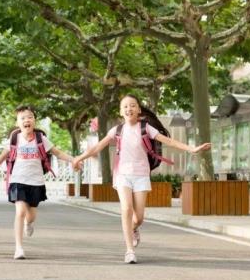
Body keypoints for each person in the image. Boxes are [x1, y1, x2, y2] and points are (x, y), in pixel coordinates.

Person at [73, 94, 211, 264]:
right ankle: (129, 250)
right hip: (122, 175)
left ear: (138, 109)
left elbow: (168, 141)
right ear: (121, 111)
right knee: (126, 209)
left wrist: (192, 149)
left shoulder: (146, 128)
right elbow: (96, 148)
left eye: (132, 105)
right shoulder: (117, 130)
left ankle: (133, 228)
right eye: (125, 106)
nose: (129, 109)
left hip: (141, 175)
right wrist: (78, 158)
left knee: (138, 218)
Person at [0, 105, 76, 260]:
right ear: (17, 123)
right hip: (18, 180)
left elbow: (57, 153)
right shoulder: (14, 139)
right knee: (20, 212)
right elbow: (3, 155)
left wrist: (73, 160)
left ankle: (28, 224)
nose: (26, 120)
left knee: (31, 216)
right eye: (22, 118)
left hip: (36, 182)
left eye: (30, 117)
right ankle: (19, 248)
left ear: (34, 121)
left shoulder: (41, 139)